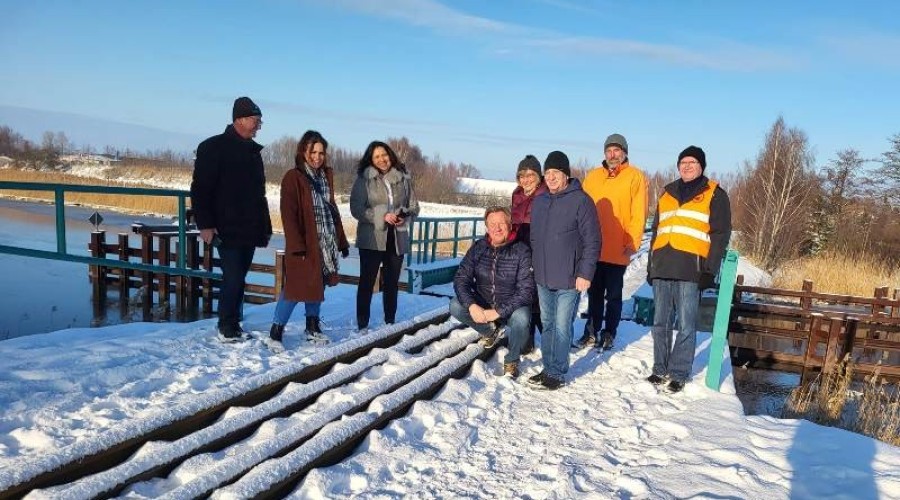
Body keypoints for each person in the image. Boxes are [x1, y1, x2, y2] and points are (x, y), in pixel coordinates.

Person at [647, 146, 731, 393]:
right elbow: (656, 231)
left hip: (690, 269)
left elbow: (720, 235)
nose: (687, 166)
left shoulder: (714, 194)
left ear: (701, 166)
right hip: (663, 265)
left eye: (692, 162)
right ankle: (659, 368)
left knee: (686, 324)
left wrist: (710, 270)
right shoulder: (667, 193)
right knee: (660, 323)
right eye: (683, 162)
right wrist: (651, 266)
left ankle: (679, 373)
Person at [190, 96, 272, 342]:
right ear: (240, 119)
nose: (259, 126)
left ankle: (233, 322)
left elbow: (259, 195)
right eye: (256, 121)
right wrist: (205, 224)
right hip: (225, 227)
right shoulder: (213, 147)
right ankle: (226, 326)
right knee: (233, 278)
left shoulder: (253, 152)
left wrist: (264, 227)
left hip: (249, 227)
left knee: (239, 278)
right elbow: (200, 189)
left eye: (260, 121)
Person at [528, 151, 600, 390]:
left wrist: (585, 273)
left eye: (555, 172)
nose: (550, 177)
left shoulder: (581, 201)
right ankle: (548, 367)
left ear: (566, 175)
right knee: (547, 324)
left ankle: (557, 373)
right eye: (547, 173)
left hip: (569, 277)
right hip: (543, 276)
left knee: (561, 326)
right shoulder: (540, 201)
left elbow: (592, 241)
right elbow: (535, 237)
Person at [269, 131, 350, 345]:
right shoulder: (293, 177)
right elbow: (289, 214)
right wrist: (297, 246)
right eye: (313, 152)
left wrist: (341, 242)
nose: (317, 157)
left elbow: (332, 211)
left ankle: (312, 327)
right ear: (303, 151)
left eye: (321, 153)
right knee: (294, 288)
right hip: (305, 244)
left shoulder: (325, 177)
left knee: (318, 285)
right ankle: (276, 330)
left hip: (325, 243)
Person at [579, 133, 649, 350]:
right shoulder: (593, 177)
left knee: (614, 295)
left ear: (624, 153)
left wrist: (632, 242)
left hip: (618, 247)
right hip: (593, 247)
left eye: (617, 150)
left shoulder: (635, 176)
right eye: (609, 151)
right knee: (593, 294)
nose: (612, 155)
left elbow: (639, 213)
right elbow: (581, 209)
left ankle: (609, 332)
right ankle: (591, 332)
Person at [451, 206, 535, 378]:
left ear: (510, 225)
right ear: (487, 227)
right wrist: (472, 305)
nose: (497, 228)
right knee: (456, 305)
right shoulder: (479, 248)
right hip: (484, 302)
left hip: (510, 307)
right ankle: (490, 330)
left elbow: (526, 291)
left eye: (501, 224)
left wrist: (498, 312)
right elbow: (461, 278)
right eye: (492, 224)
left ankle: (512, 360)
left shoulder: (522, 250)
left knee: (522, 318)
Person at [350, 141, 420, 333]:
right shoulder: (364, 179)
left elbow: (414, 207)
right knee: (367, 281)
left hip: (396, 237)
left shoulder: (403, 177)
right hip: (371, 238)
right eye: (377, 157)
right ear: (371, 160)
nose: (382, 159)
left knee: (392, 282)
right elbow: (356, 208)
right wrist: (381, 216)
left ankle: (390, 321)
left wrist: (404, 216)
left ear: (390, 155)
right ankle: (362, 324)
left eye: (384, 155)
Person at [509, 154, 547, 354]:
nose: (526, 180)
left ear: (539, 176)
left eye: (531, 175)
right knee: (524, 295)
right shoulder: (516, 194)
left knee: (539, 300)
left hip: (539, 251)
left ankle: (551, 343)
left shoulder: (546, 194)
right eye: (522, 175)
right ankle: (526, 340)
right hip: (519, 251)